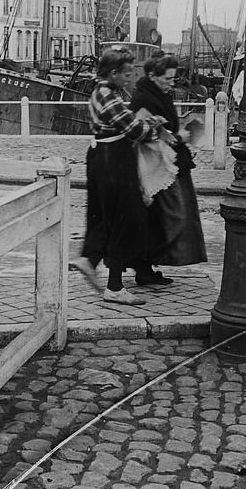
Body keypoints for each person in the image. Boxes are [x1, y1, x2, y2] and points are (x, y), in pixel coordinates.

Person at [70, 49, 169, 305]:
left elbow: (122, 121)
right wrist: (154, 125)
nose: (129, 79)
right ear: (113, 73)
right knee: (127, 218)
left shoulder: (103, 91)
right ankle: (114, 286)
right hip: (113, 158)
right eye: (126, 74)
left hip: (103, 156)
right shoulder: (107, 93)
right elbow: (134, 128)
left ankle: (90, 260)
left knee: (106, 216)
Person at [129, 53, 207, 268]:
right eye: (168, 79)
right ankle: (144, 267)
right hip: (158, 169)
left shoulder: (157, 94)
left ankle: (149, 266)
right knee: (170, 218)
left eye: (173, 79)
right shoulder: (143, 99)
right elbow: (143, 134)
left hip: (171, 164)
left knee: (169, 218)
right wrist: (177, 137)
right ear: (153, 76)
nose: (172, 85)